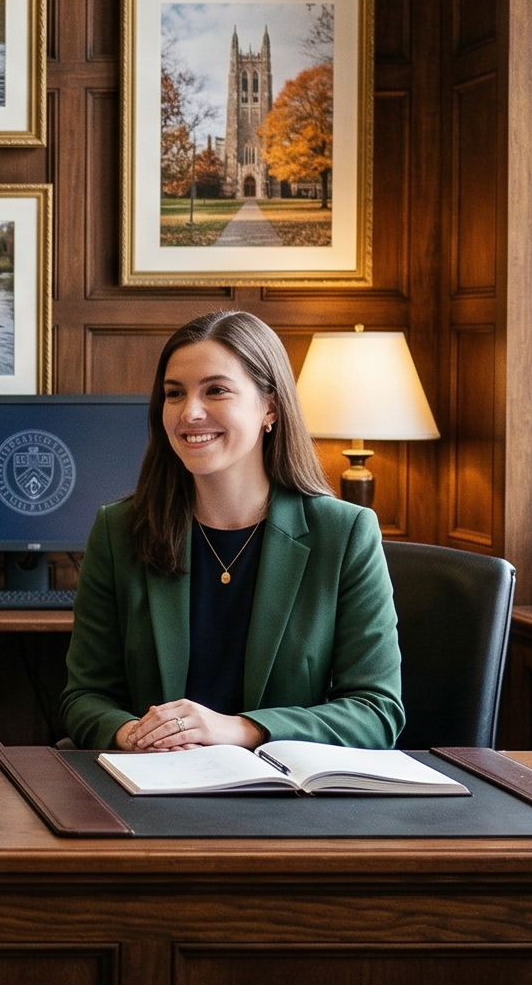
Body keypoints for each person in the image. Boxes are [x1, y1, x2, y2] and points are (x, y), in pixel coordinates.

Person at [59, 309, 403, 752]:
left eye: (216, 390)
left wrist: (240, 729)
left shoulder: (345, 532)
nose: (190, 413)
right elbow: (84, 696)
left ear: (270, 407)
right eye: (174, 394)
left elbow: (377, 711)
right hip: (153, 788)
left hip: (288, 803)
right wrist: (135, 736)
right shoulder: (119, 529)